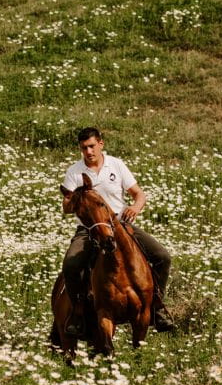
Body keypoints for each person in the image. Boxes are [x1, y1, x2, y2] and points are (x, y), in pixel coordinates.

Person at [61, 127, 175, 336]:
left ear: (101, 144)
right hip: (88, 229)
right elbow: (66, 207)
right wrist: (76, 197)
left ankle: (157, 305)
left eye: (92, 146)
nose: (88, 152)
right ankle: (77, 312)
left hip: (120, 225)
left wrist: (135, 208)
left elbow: (138, 194)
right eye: (84, 148)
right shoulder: (74, 172)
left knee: (162, 256)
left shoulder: (116, 165)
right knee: (71, 264)